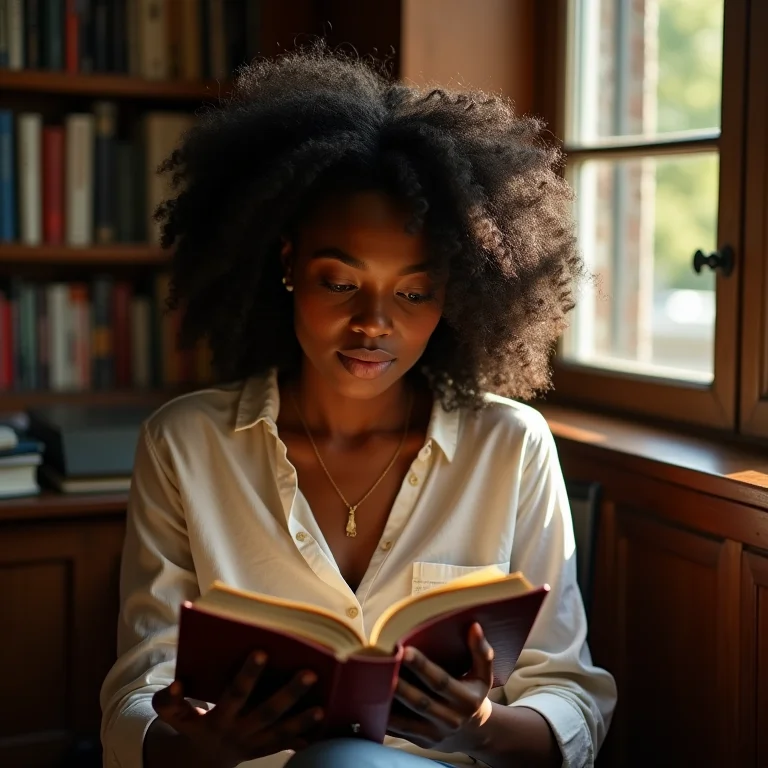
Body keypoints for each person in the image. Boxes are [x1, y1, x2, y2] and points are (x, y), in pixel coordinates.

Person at [100, 45, 616, 768]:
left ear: (457, 290)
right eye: (340, 283)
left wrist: (482, 728)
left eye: (412, 292)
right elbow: (139, 690)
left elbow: (568, 693)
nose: (375, 324)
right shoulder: (185, 445)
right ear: (287, 265)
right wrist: (195, 746)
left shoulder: (511, 444)